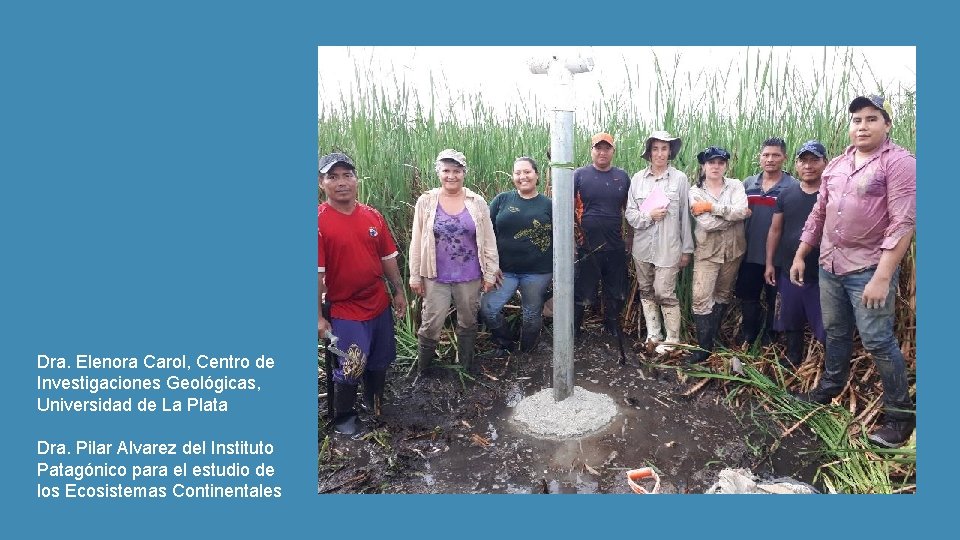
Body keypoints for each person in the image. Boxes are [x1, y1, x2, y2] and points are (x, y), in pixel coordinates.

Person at [791, 95, 916, 448]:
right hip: (830, 264)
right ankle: (830, 387)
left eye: (871, 119)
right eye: (857, 120)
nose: (862, 126)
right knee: (836, 329)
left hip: (869, 268)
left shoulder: (900, 163)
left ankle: (900, 418)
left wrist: (882, 276)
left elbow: (903, 223)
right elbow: (819, 213)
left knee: (878, 340)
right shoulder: (838, 164)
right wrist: (802, 253)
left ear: (886, 124)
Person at [317, 152, 407, 435]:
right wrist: (317, 318)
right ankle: (344, 416)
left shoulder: (372, 216)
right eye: (333, 177)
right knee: (353, 362)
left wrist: (399, 292)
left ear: (357, 180)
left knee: (381, 357)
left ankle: (374, 400)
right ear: (322, 183)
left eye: (347, 175)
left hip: (378, 302)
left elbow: (387, 258)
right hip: (343, 308)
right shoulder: (317, 222)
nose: (341, 182)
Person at [409, 149, 499, 377]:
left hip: (469, 274)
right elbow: (417, 240)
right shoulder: (426, 201)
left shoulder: (476, 202)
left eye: (457, 171)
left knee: (468, 320)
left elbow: (488, 239)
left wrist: (490, 273)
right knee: (431, 322)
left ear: (464, 173)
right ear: (438, 172)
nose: (451, 176)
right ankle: (424, 370)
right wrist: (414, 275)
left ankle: (466, 366)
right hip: (435, 276)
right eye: (446, 170)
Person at [625, 130, 693, 353]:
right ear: (649, 152)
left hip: (669, 247)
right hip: (642, 248)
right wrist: (649, 216)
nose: (660, 153)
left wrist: (686, 250)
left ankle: (673, 340)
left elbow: (685, 217)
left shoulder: (680, 179)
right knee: (646, 290)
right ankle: (654, 334)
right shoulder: (637, 179)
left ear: (670, 151)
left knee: (664, 292)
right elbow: (630, 214)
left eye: (664, 148)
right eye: (656, 148)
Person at [480, 157, 553, 358]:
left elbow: (561, 240)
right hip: (505, 271)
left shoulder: (549, 205)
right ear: (513, 176)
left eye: (527, 172)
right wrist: (490, 265)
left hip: (538, 272)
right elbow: (485, 232)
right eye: (518, 173)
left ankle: (527, 353)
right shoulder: (502, 200)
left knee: (531, 316)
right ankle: (506, 343)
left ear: (536, 175)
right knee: (488, 308)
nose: (523, 177)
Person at [764, 140, 828, 367]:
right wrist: (770, 263)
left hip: (822, 273)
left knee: (826, 323)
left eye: (814, 160)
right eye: (804, 160)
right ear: (797, 164)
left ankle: (829, 368)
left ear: (825, 163)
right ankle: (793, 359)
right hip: (788, 270)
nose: (808, 166)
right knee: (790, 317)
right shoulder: (786, 195)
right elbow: (775, 230)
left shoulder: (831, 196)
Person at [687, 146, 751, 364]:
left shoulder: (736, 185)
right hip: (707, 252)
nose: (715, 166)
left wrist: (712, 207)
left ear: (726, 165)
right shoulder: (695, 191)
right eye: (711, 162)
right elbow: (706, 224)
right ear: (703, 165)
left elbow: (742, 210)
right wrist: (731, 214)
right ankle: (703, 348)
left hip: (733, 251)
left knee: (723, 294)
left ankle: (712, 339)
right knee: (700, 298)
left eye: (720, 162)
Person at [736, 138, 799, 347]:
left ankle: (770, 338)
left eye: (775, 155)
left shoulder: (792, 187)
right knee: (749, 298)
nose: (770, 159)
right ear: (759, 157)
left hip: (780, 257)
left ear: (784, 158)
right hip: (750, 253)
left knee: (775, 299)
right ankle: (748, 335)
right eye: (766, 155)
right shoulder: (747, 184)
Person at [573, 132, 631, 344]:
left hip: (615, 245)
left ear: (613, 151)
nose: (602, 152)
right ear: (592, 151)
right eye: (598, 148)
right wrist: (572, 240)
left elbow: (630, 211)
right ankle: (575, 329)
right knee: (583, 291)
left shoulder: (622, 177)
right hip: (587, 245)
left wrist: (629, 240)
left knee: (616, 290)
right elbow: (568, 210)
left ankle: (611, 325)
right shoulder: (579, 175)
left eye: (607, 148)